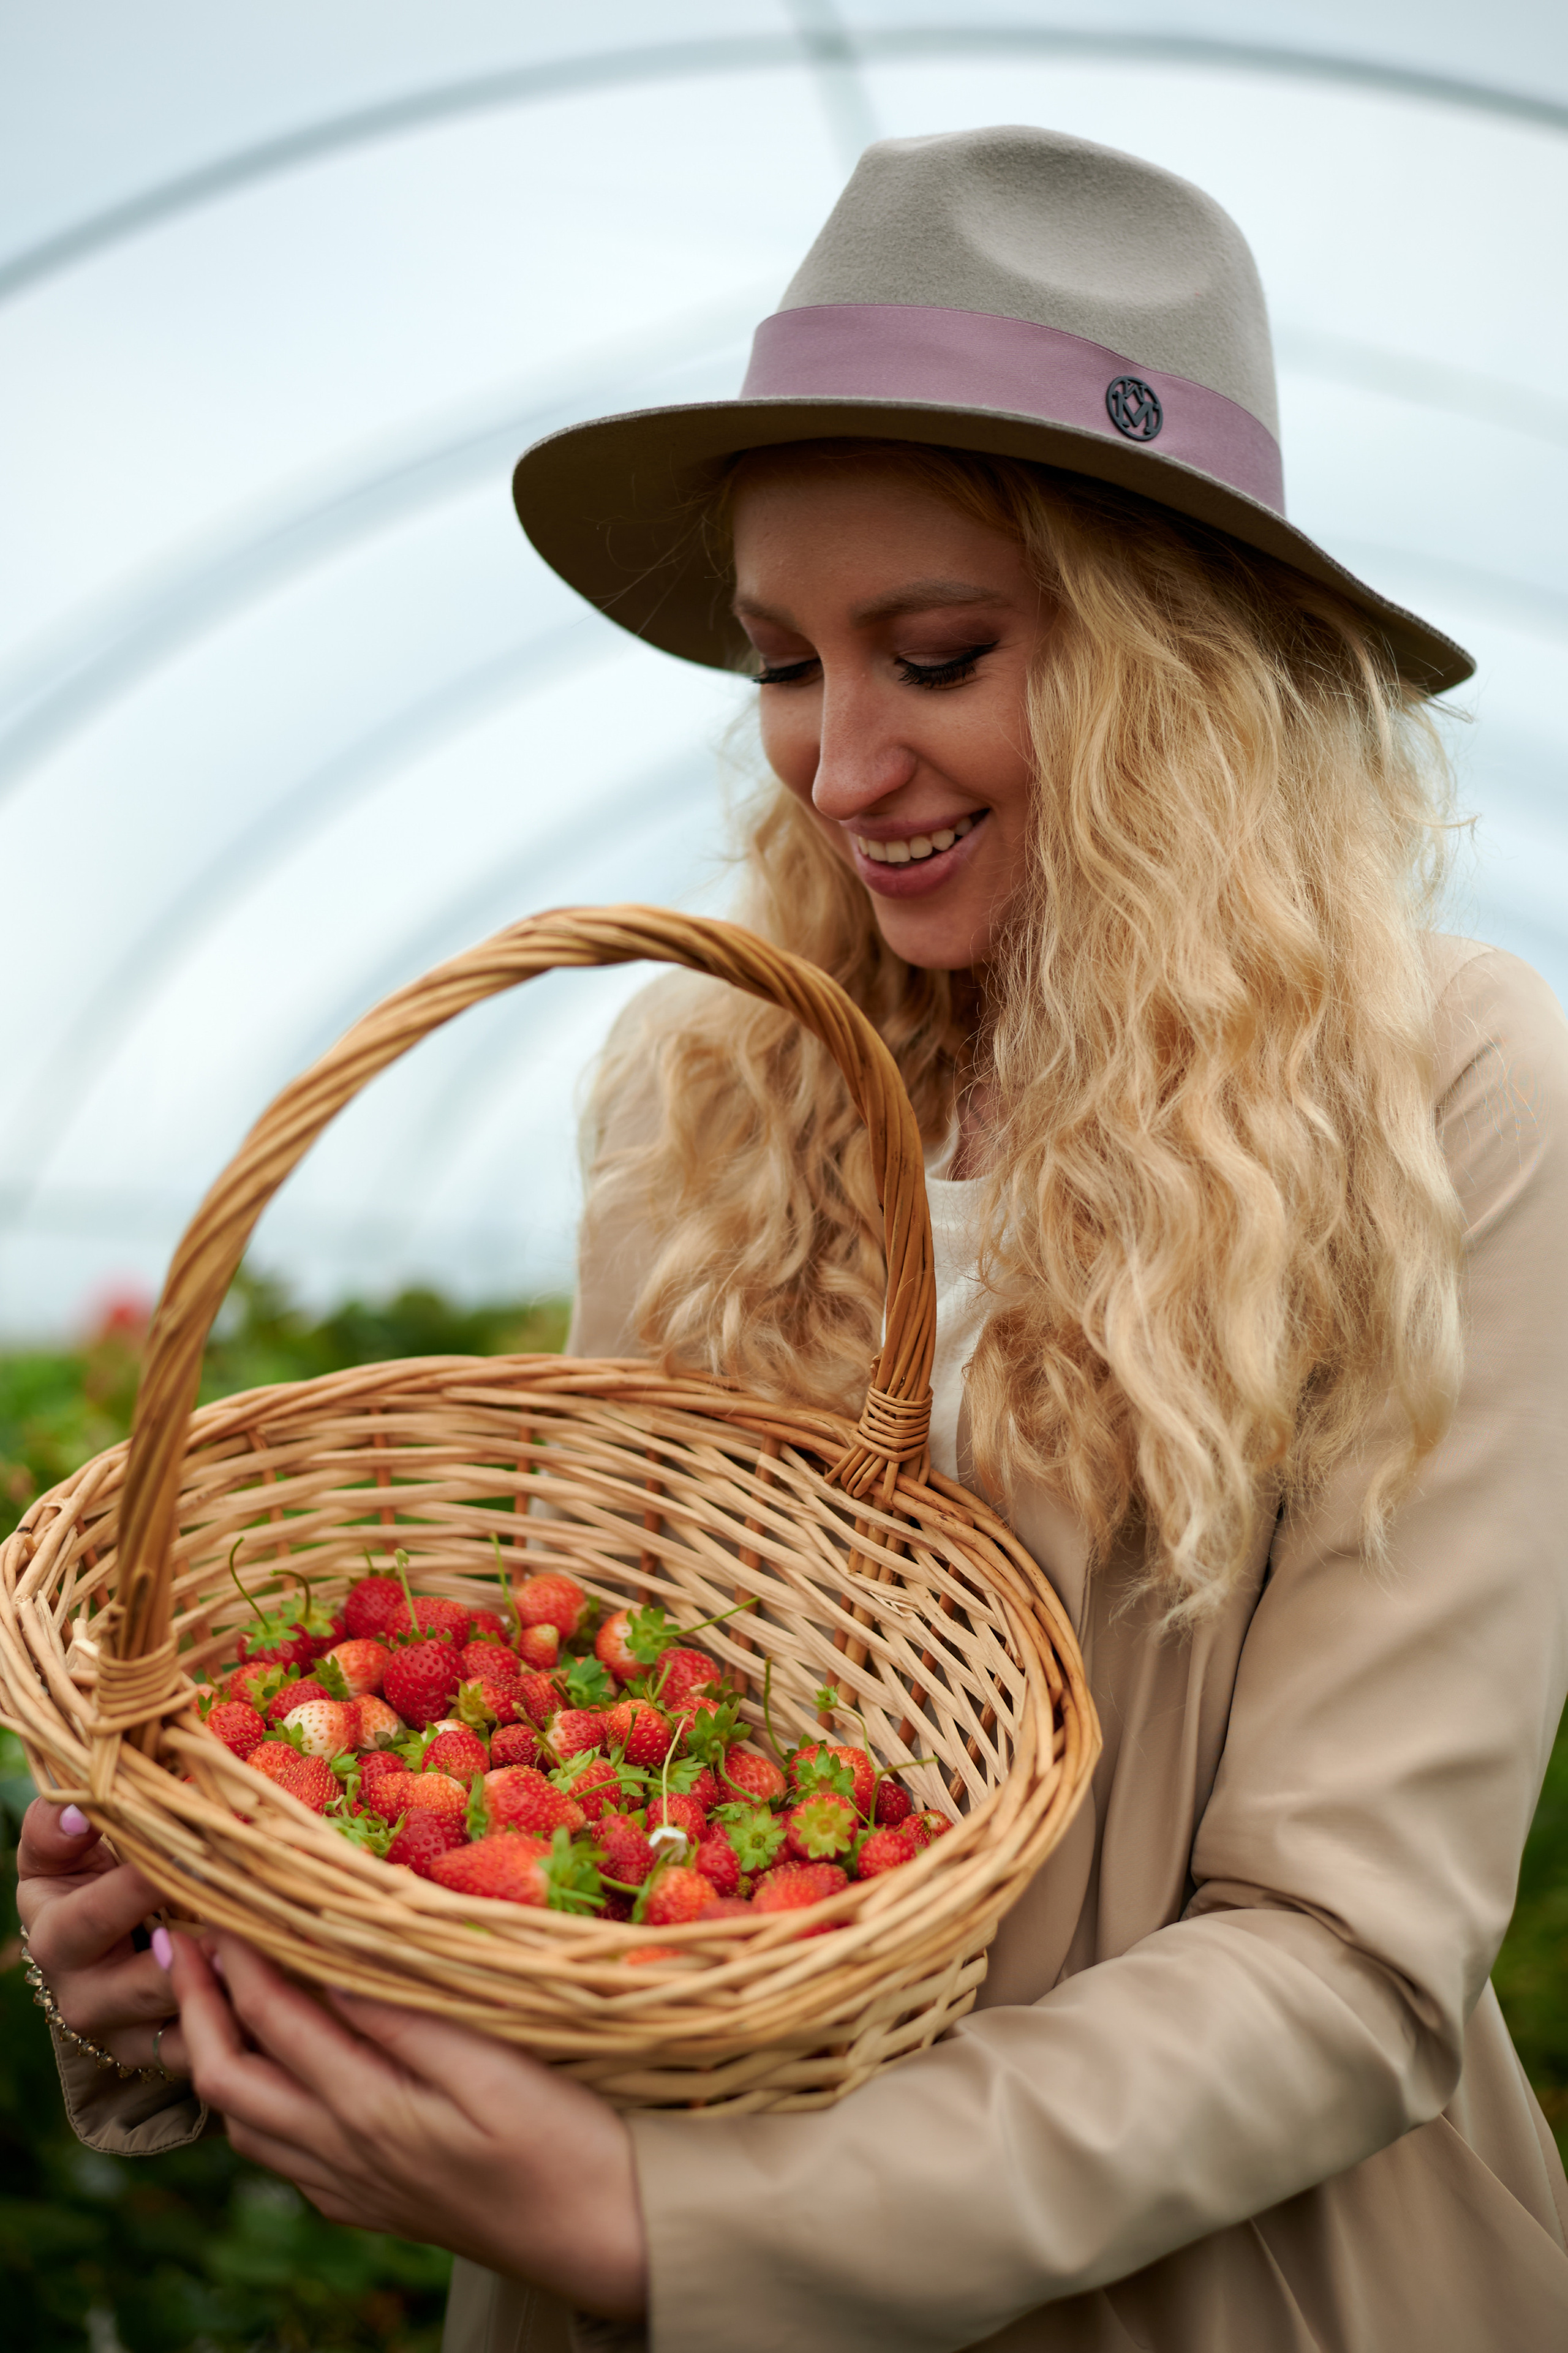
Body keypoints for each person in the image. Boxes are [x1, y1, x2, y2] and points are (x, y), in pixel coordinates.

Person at [17, 125, 1568, 2352]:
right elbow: (606, 1741)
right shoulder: (713, 1083)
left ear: (1173, 668)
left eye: (936, 654)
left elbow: (1350, 1956)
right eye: (778, 665)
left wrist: (677, 2223)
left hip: (1210, 2283)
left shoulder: (1441, 1092)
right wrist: (213, 1947)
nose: (840, 765)